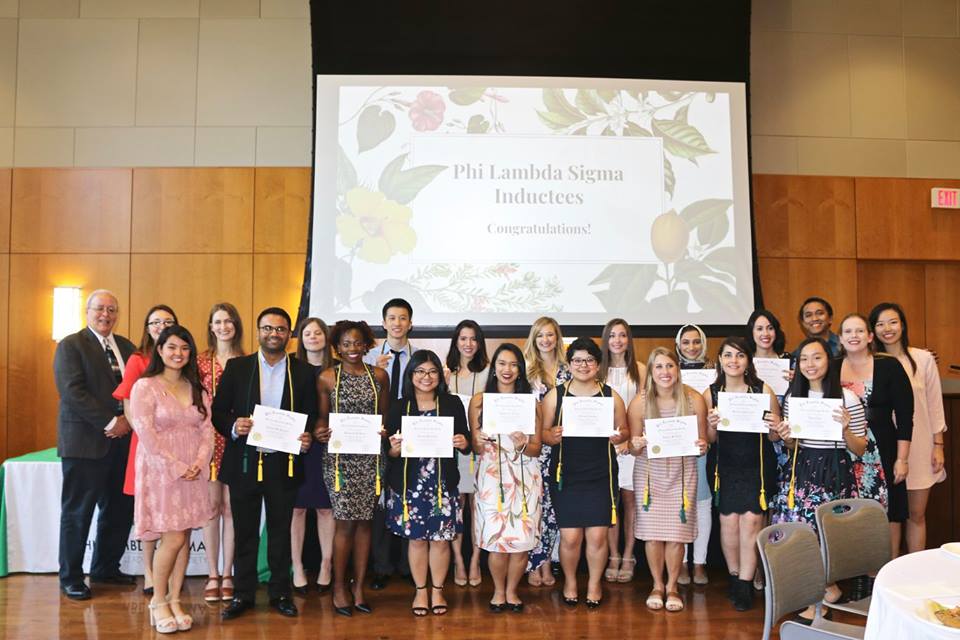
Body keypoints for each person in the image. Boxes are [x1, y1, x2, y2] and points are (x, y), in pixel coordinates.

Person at [212, 307, 317, 620]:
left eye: (281, 329)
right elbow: (219, 411)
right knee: (244, 531)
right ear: (258, 331)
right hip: (245, 461)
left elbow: (309, 414)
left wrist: (306, 436)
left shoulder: (301, 372)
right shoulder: (237, 367)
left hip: (282, 463)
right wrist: (234, 426)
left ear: (289, 334)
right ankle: (242, 595)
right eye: (268, 328)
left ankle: (280, 593)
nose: (274, 334)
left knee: (279, 531)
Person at [129, 325, 215, 633]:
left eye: (184, 348)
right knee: (174, 537)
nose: (178, 353)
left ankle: (176, 599)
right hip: (162, 472)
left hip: (194, 471)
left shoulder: (198, 389)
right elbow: (146, 434)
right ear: (160, 350)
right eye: (172, 347)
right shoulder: (145, 387)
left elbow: (207, 431)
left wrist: (198, 462)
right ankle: (158, 601)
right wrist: (178, 465)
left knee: (185, 536)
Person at [55, 289, 136, 600]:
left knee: (118, 510)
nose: (106, 315)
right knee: (78, 512)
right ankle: (71, 577)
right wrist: (110, 421)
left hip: (123, 444)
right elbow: (72, 391)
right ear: (87, 312)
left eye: (112, 310)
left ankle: (105, 568)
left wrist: (127, 422)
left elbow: (137, 390)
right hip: (85, 444)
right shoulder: (71, 345)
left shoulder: (127, 347)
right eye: (100, 309)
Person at [541, 337, 628, 608]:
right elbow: (543, 433)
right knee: (570, 537)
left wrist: (619, 437)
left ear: (598, 364)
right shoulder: (556, 394)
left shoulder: (610, 395)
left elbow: (624, 430)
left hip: (601, 474)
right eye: (577, 360)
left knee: (598, 536)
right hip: (566, 474)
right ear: (569, 363)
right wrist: (551, 436)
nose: (584, 365)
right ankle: (569, 581)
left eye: (589, 360)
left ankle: (593, 583)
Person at [385, 350, 471, 616]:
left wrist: (462, 442)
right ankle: (421, 591)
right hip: (410, 484)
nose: (426, 377)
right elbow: (388, 452)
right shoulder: (400, 406)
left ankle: (438, 590)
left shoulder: (452, 403)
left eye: (432, 371)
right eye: (420, 371)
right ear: (411, 375)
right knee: (418, 540)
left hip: (441, 484)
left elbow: (466, 442)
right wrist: (395, 448)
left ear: (440, 375)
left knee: (441, 540)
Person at [315, 320, 390, 617]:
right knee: (345, 522)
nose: (352, 349)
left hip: (371, 459)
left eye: (358, 343)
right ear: (337, 347)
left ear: (367, 344)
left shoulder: (380, 377)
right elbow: (322, 418)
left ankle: (359, 587)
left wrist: (384, 431)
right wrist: (321, 430)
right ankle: (338, 587)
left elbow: (385, 419)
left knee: (365, 524)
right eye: (346, 344)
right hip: (339, 462)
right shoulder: (326, 378)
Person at [703, 337, 781, 611]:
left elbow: (774, 437)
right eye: (728, 356)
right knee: (728, 524)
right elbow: (709, 439)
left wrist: (775, 424)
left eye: (739, 355)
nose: (733, 361)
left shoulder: (762, 390)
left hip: (756, 465)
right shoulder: (711, 393)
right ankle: (735, 577)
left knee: (751, 522)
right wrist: (711, 425)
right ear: (720, 360)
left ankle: (746, 583)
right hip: (725, 466)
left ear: (748, 360)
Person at [629, 347, 708, 613]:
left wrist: (702, 444)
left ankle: (673, 586)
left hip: (682, 472)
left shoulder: (694, 399)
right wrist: (636, 443)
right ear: (651, 372)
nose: (665, 372)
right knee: (652, 535)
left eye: (670, 366)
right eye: (659, 367)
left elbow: (704, 441)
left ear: (678, 369)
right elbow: (632, 446)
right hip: (649, 475)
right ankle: (657, 585)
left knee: (676, 535)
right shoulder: (640, 403)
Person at [112, 304, 178, 597]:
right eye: (155, 322)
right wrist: (149, 437)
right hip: (147, 444)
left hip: (178, 446)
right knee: (150, 510)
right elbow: (129, 403)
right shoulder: (138, 360)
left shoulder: (179, 355)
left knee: (173, 510)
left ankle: (171, 572)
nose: (161, 326)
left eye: (167, 321)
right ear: (147, 327)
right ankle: (150, 572)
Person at [472, 343, 543, 612]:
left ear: (520, 370)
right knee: (497, 540)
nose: (507, 369)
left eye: (514, 365)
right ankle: (498, 591)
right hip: (492, 478)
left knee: (521, 541)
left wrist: (524, 443)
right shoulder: (480, 401)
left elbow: (536, 449)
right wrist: (477, 440)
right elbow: (475, 447)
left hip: (525, 476)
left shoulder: (531, 403)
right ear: (494, 368)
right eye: (502, 363)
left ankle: (512, 591)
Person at [869, 302, 946, 553]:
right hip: (884, 448)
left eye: (893, 322)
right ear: (872, 331)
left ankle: (916, 573)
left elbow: (935, 405)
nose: (887, 329)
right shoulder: (869, 363)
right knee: (888, 517)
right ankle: (888, 575)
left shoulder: (923, 359)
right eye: (879, 324)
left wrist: (938, 445)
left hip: (921, 445)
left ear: (903, 325)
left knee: (916, 514)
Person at [839, 313, 914, 557]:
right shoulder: (830, 366)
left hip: (882, 447)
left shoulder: (889, 365)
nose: (854, 336)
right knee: (850, 510)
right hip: (844, 448)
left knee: (889, 510)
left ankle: (886, 569)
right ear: (840, 338)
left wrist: (902, 459)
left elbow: (904, 417)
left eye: (859, 331)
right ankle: (860, 572)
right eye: (848, 332)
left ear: (870, 336)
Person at [363, 298, 417, 590]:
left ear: (410, 323)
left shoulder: (421, 357)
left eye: (403, 318)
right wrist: (373, 369)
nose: (397, 323)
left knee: (408, 492)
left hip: (410, 430)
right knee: (379, 498)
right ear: (383, 323)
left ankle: (409, 565)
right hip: (376, 430)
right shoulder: (368, 356)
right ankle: (381, 566)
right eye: (392, 318)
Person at [197, 302, 245, 603]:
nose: (223, 326)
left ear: (236, 325)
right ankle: (212, 573)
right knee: (210, 509)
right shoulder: (199, 361)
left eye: (229, 321)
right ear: (211, 326)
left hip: (238, 441)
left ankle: (229, 573)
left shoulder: (248, 361)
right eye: (218, 321)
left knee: (232, 509)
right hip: (206, 441)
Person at [523, 316, 570, 587]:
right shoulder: (527, 370)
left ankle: (548, 563)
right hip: (535, 449)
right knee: (535, 507)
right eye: (540, 335)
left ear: (557, 338)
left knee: (555, 509)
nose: (545, 340)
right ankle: (534, 563)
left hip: (564, 450)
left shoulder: (569, 369)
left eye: (550, 334)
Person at [598, 319, 646, 584]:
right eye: (612, 335)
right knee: (609, 503)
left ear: (629, 340)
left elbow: (644, 410)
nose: (617, 340)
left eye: (622, 335)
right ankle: (613, 555)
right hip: (604, 448)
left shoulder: (639, 370)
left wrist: (631, 439)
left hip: (630, 448)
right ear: (605, 340)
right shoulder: (596, 372)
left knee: (630, 503)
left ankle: (629, 554)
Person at [291, 317, 335, 595]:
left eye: (318, 332)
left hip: (329, 445)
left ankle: (326, 565)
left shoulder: (338, 370)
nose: (313, 337)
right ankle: (296, 567)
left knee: (325, 507)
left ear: (326, 338)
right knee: (295, 508)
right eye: (308, 333)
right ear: (301, 339)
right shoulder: (291, 369)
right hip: (297, 444)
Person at [444, 319, 489, 587]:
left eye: (473, 339)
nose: (468, 344)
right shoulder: (445, 373)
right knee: (456, 507)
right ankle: (458, 561)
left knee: (478, 507)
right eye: (463, 338)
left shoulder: (489, 372)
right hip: (455, 449)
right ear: (456, 341)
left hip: (483, 449)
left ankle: (475, 560)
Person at [674, 324, 712, 586]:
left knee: (702, 503)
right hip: (673, 445)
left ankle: (700, 563)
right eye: (686, 342)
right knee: (679, 505)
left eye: (696, 342)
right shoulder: (668, 370)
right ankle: (682, 563)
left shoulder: (716, 370)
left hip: (702, 444)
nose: (691, 347)